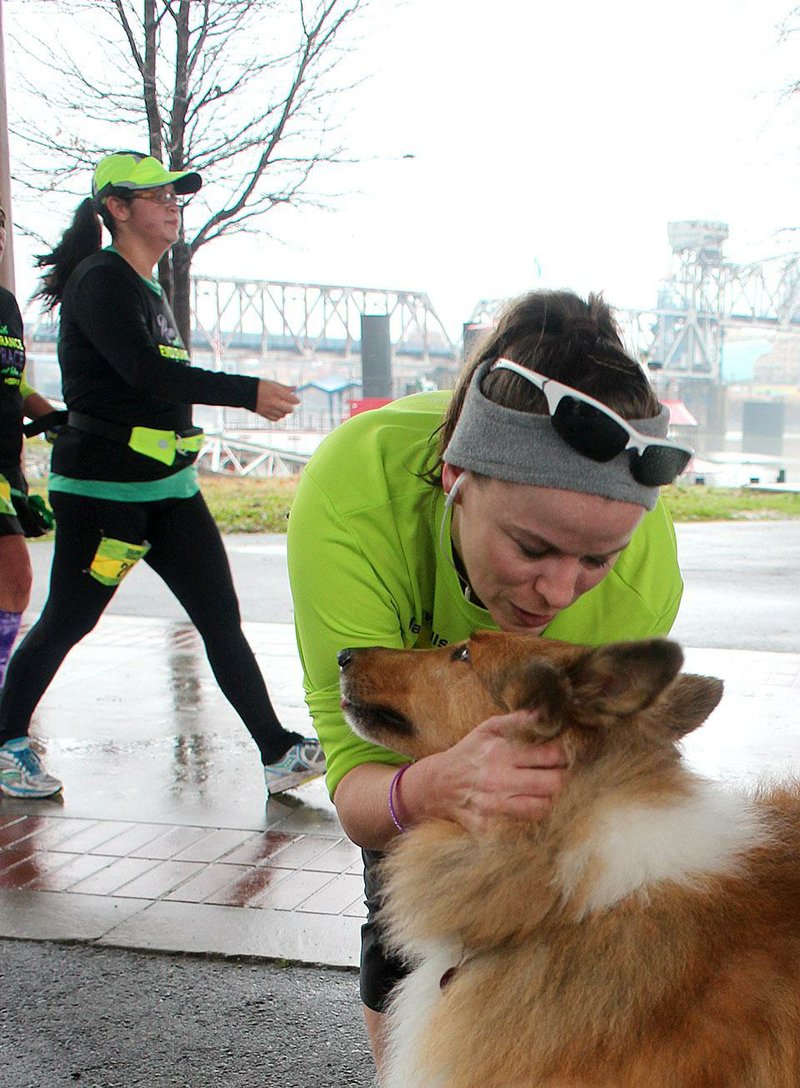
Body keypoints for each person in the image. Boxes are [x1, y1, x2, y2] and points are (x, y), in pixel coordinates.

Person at [286, 288, 692, 1070]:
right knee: (403, 929)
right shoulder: (356, 494)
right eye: (532, 548)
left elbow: (588, 816)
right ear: (454, 476)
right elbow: (360, 797)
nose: (559, 592)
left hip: (543, 803)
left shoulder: (637, 578)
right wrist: (433, 786)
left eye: (593, 562)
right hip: (413, 751)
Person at [0, 151, 325, 800]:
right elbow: (146, 374)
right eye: (158, 196)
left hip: (170, 492)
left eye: (178, 195)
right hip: (103, 497)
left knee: (220, 619)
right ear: (117, 209)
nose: (174, 203)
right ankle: (7, 745)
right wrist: (246, 390)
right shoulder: (100, 280)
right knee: (68, 619)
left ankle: (277, 751)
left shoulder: (146, 288)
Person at [0, 201, 57, 703]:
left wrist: (54, 418)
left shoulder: (4, 306)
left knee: (13, 584)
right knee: (15, 576)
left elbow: (11, 380)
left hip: (6, 464)